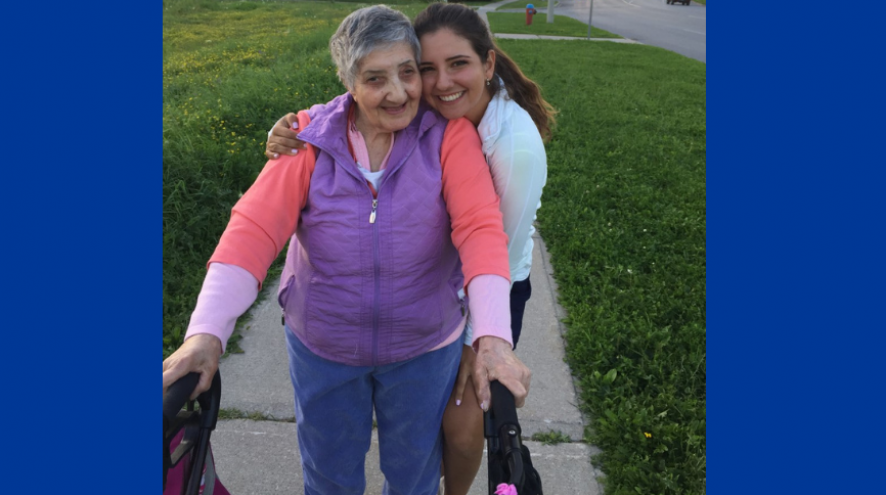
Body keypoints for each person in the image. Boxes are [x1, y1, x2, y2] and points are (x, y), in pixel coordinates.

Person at [162, 6, 532, 495]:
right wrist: (206, 334)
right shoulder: (309, 138)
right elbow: (252, 230)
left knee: (415, 475)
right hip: (324, 348)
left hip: (424, 349)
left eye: (406, 72)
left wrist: (493, 340)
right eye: (375, 78)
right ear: (347, 81)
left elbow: (481, 231)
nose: (398, 92)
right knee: (329, 475)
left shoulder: (449, 137)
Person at [264, 4, 555, 494]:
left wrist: (477, 342)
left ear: (488, 64)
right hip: (363, 327)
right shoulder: (436, 113)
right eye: (426, 68)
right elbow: (353, 104)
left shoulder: (513, 147)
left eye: (457, 65)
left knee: (461, 428)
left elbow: (489, 243)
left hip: (494, 286)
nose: (438, 84)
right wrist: (304, 128)